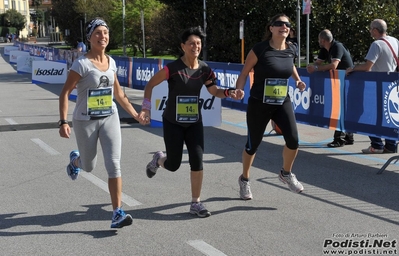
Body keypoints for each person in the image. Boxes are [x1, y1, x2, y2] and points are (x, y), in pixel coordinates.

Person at [138, 26, 236, 218]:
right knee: (173, 164)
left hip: (194, 122)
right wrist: (145, 108)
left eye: (198, 43)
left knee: (197, 160)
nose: (195, 46)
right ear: (183, 46)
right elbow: (150, 84)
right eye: (191, 43)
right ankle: (158, 159)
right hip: (173, 122)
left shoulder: (205, 69)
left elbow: (213, 91)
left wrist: (228, 92)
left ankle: (195, 203)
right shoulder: (172, 69)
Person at [59, 18, 139, 228]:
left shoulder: (111, 62)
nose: (102, 36)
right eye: (98, 33)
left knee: (114, 165)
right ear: (89, 37)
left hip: (109, 117)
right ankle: (76, 161)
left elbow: (119, 94)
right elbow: (65, 93)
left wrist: (136, 114)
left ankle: (117, 213)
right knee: (89, 167)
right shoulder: (81, 64)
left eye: (105, 33)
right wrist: (63, 121)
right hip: (85, 120)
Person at [233, 13, 306, 200]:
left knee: (293, 139)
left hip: (282, 101)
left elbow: (290, 66)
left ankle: (286, 173)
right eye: (279, 24)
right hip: (259, 102)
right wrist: (239, 90)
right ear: (271, 28)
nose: (284, 27)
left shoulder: (291, 49)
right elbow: (244, 73)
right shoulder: (260, 49)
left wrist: (297, 81)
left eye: (287, 24)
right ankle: (245, 179)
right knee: (253, 144)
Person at [346, 19, 399, 154]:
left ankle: (376, 145)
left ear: (375, 30)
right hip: (391, 84)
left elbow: (367, 67)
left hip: (376, 85)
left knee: (370, 115)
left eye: (371, 29)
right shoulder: (395, 41)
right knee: (388, 116)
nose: (370, 31)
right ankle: (391, 145)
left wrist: (353, 68)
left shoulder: (377, 44)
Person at [307, 29, 355, 148]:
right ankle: (349, 136)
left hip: (348, 80)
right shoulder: (324, 49)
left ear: (323, 40)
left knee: (341, 109)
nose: (319, 41)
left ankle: (339, 139)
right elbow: (318, 63)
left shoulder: (337, 46)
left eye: (319, 40)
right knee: (342, 108)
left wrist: (316, 69)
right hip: (338, 81)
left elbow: (334, 66)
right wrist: (313, 66)